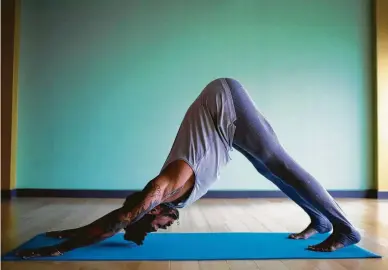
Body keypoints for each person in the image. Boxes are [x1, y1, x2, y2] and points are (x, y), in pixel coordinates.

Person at [15, 78, 361, 259]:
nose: (164, 228)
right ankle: (320, 221)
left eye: (155, 226)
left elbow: (119, 219)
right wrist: (70, 230)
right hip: (223, 123)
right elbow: (122, 214)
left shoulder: (167, 186)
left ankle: (345, 230)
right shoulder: (171, 200)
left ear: (151, 210)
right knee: (269, 169)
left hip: (223, 101)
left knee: (279, 164)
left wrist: (57, 248)